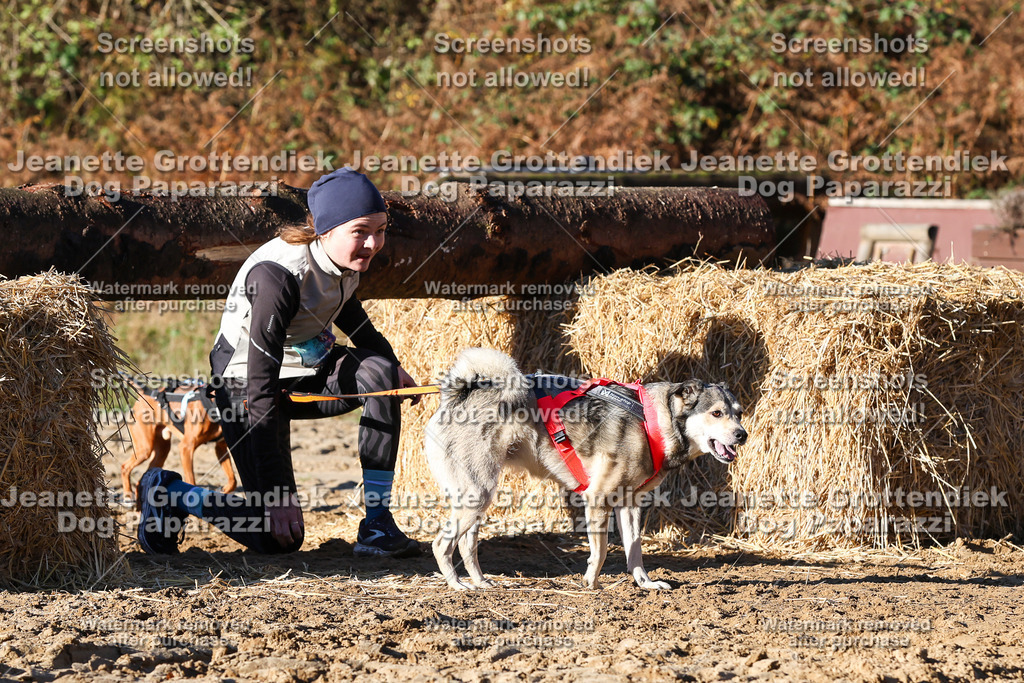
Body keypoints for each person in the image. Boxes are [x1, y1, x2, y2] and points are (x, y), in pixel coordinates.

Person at [136, 167, 421, 557]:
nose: (373, 243)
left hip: (302, 369)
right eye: (361, 231)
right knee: (278, 538)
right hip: (246, 388)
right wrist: (276, 494)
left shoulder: (342, 258)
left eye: (381, 229)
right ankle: (170, 492)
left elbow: (347, 311)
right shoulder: (279, 276)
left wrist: (391, 363)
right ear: (325, 229)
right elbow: (259, 385)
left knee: (379, 375)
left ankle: (377, 523)